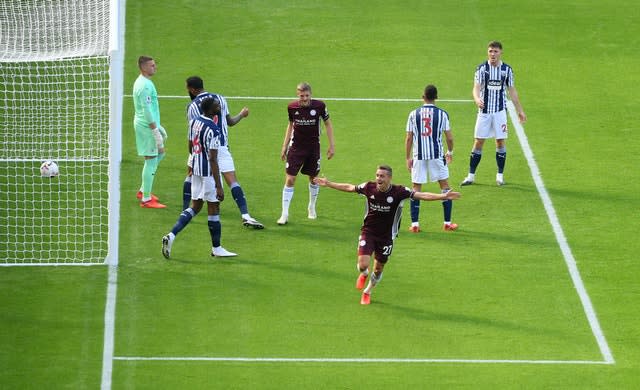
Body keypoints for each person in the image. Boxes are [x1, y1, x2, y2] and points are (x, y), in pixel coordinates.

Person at [314, 165, 461, 305]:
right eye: (377, 175)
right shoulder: (368, 187)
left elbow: (421, 195)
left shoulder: (399, 192)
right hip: (368, 232)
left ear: (389, 178)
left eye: (382, 176)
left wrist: (442, 196)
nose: (378, 178)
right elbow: (349, 187)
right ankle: (364, 273)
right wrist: (328, 183)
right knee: (362, 264)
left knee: (378, 269)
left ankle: (367, 292)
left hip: (386, 237)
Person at [183, 76, 263, 229]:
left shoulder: (192, 106)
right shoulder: (220, 98)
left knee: (190, 175)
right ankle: (246, 215)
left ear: (192, 89)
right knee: (232, 180)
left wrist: (193, 155)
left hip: (200, 149)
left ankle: (185, 211)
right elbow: (230, 122)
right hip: (221, 146)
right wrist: (242, 114)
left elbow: (193, 131)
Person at [161, 97, 237, 259]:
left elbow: (190, 146)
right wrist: (219, 186)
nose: (219, 107)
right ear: (210, 110)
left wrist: (195, 161)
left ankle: (171, 235)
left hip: (195, 169)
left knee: (195, 206)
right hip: (208, 173)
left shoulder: (194, 122)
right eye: (217, 106)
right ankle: (217, 248)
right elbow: (213, 159)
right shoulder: (214, 130)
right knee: (214, 208)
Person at [460, 41, 526, 186]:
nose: (493, 54)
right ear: (487, 53)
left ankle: (500, 175)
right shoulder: (481, 69)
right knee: (478, 142)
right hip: (484, 112)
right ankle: (471, 176)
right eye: (490, 51)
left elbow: (512, 91)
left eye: (495, 51)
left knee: (500, 141)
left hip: (500, 112)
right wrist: (477, 99)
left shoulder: (507, 70)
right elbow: (476, 88)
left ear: (501, 52)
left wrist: (520, 110)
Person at [278, 82, 335, 225]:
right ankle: (284, 214)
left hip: (313, 148)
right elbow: (290, 125)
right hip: (296, 148)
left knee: (313, 178)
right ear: (298, 95)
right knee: (290, 179)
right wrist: (284, 146)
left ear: (311, 94)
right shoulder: (292, 107)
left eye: (307, 95)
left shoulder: (320, 106)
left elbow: (328, 124)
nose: (304, 98)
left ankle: (311, 207)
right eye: (302, 96)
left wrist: (331, 145)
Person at [405, 84, 457, 233]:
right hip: (436, 155)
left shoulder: (413, 114)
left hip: (418, 156)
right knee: (445, 186)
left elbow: (409, 138)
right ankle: (447, 223)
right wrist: (450, 152)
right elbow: (450, 138)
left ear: (423, 97)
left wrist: (407, 157)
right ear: (436, 97)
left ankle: (415, 225)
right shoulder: (442, 114)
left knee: (416, 188)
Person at [132, 55, 167, 208]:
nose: (155, 67)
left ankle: (143, 190)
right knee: (151, 159)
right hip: (147, 127)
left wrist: (158, 126)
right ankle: (146, 199)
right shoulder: (145, 85)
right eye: (152, 65)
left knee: (160, 154)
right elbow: (146, 110)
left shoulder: (144, 82)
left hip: (148, 125)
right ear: (143, 67)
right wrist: (155, 130)